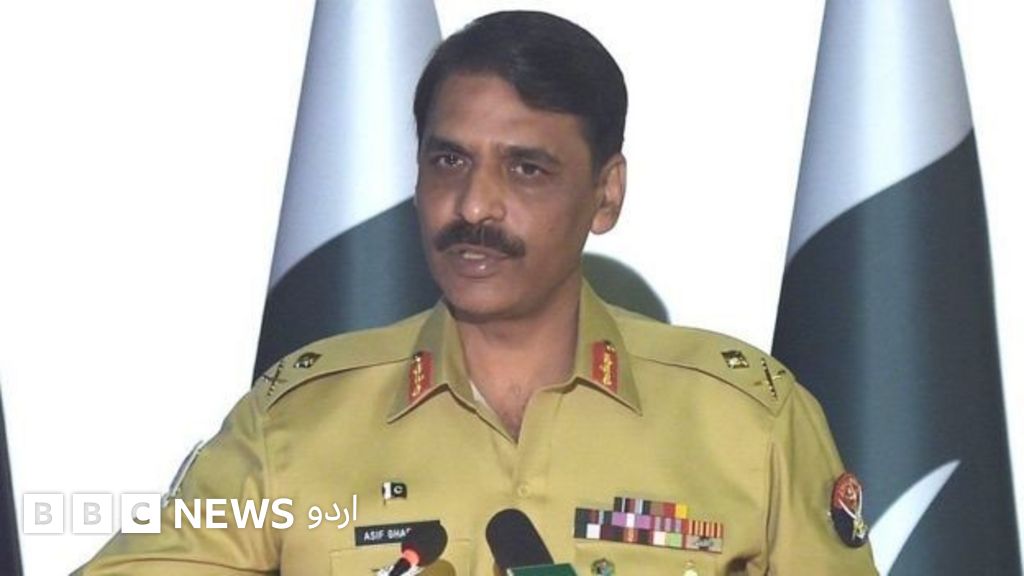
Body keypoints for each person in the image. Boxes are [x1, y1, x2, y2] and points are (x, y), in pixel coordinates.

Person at [77, 11, 878, 575]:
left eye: (526, 169)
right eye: (449, 161)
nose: (474, 207)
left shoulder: (747, 422)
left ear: (605, 194)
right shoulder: (294, 422)